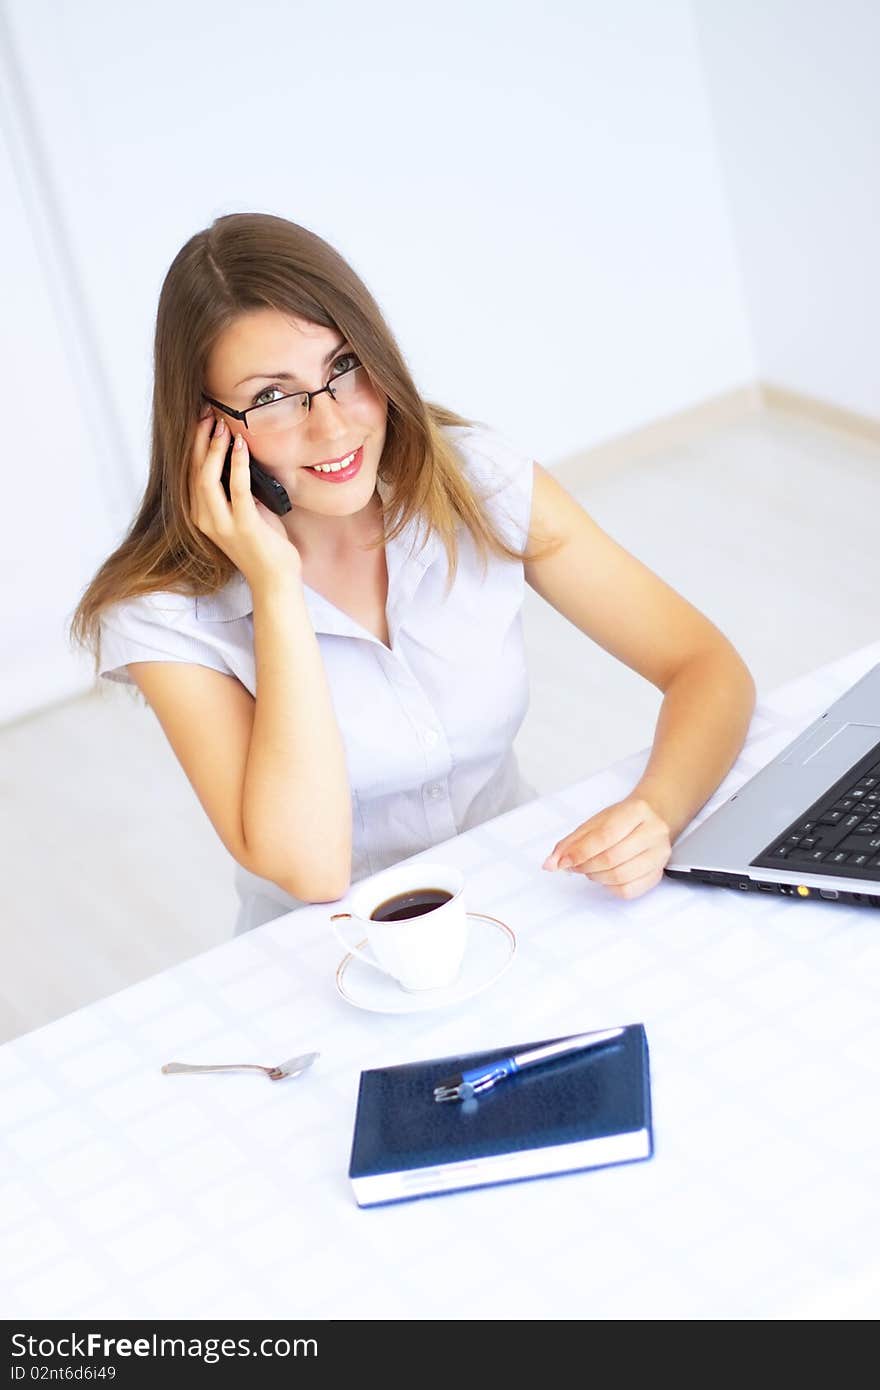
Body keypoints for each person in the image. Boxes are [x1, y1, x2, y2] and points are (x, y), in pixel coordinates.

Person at [70, 212, 755, 936]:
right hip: (333, 956)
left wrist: (656, 810)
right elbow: (310, 869)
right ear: (204, 425)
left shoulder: (473, 482)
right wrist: (275, 588)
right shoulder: (161, 613)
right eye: (271, 396)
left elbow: (704, 664)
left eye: (343, 368)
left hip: (524, 899)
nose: (332, 426)